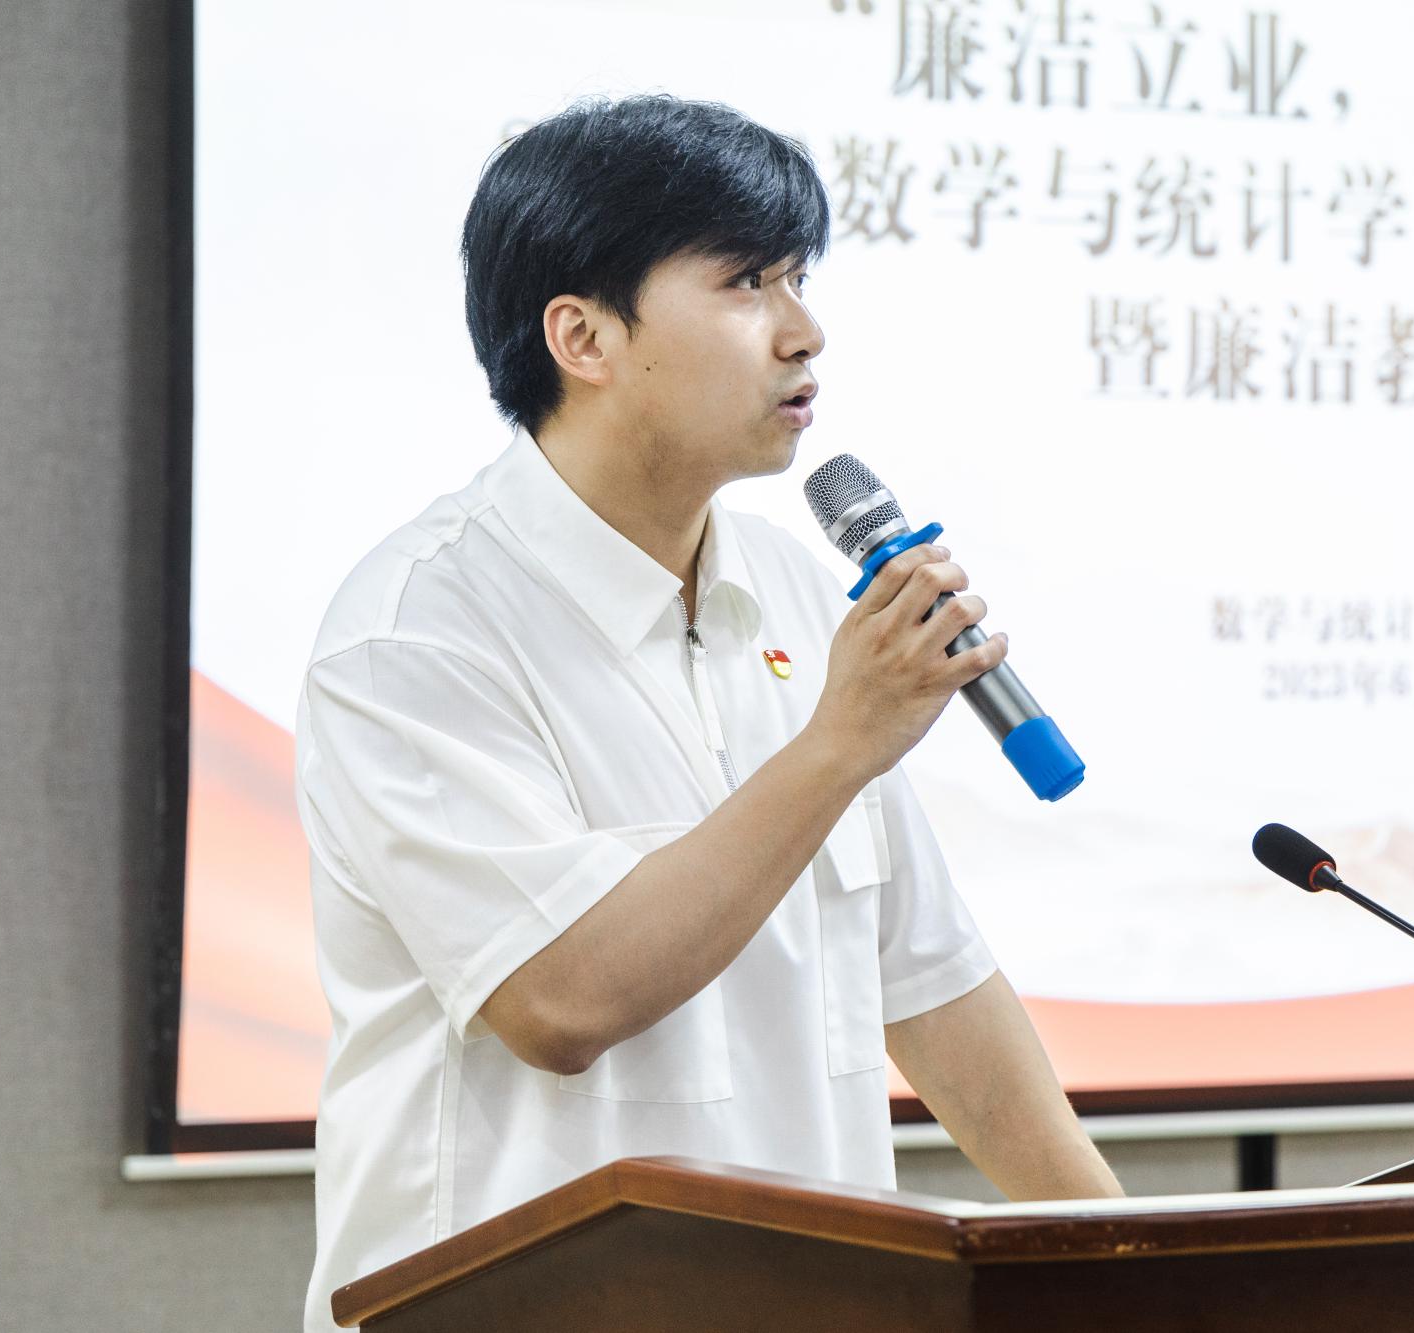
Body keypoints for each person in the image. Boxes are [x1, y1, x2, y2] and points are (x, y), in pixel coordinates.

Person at [295, 94, 1121, 1330]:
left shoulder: (794, 588)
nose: (803, 331)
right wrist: (838, 743)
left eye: (798, 279)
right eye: (745, 283)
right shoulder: (416, 631)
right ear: (581, 336)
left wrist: (1134, 1264)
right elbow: (560, 1000)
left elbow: (933, 987)